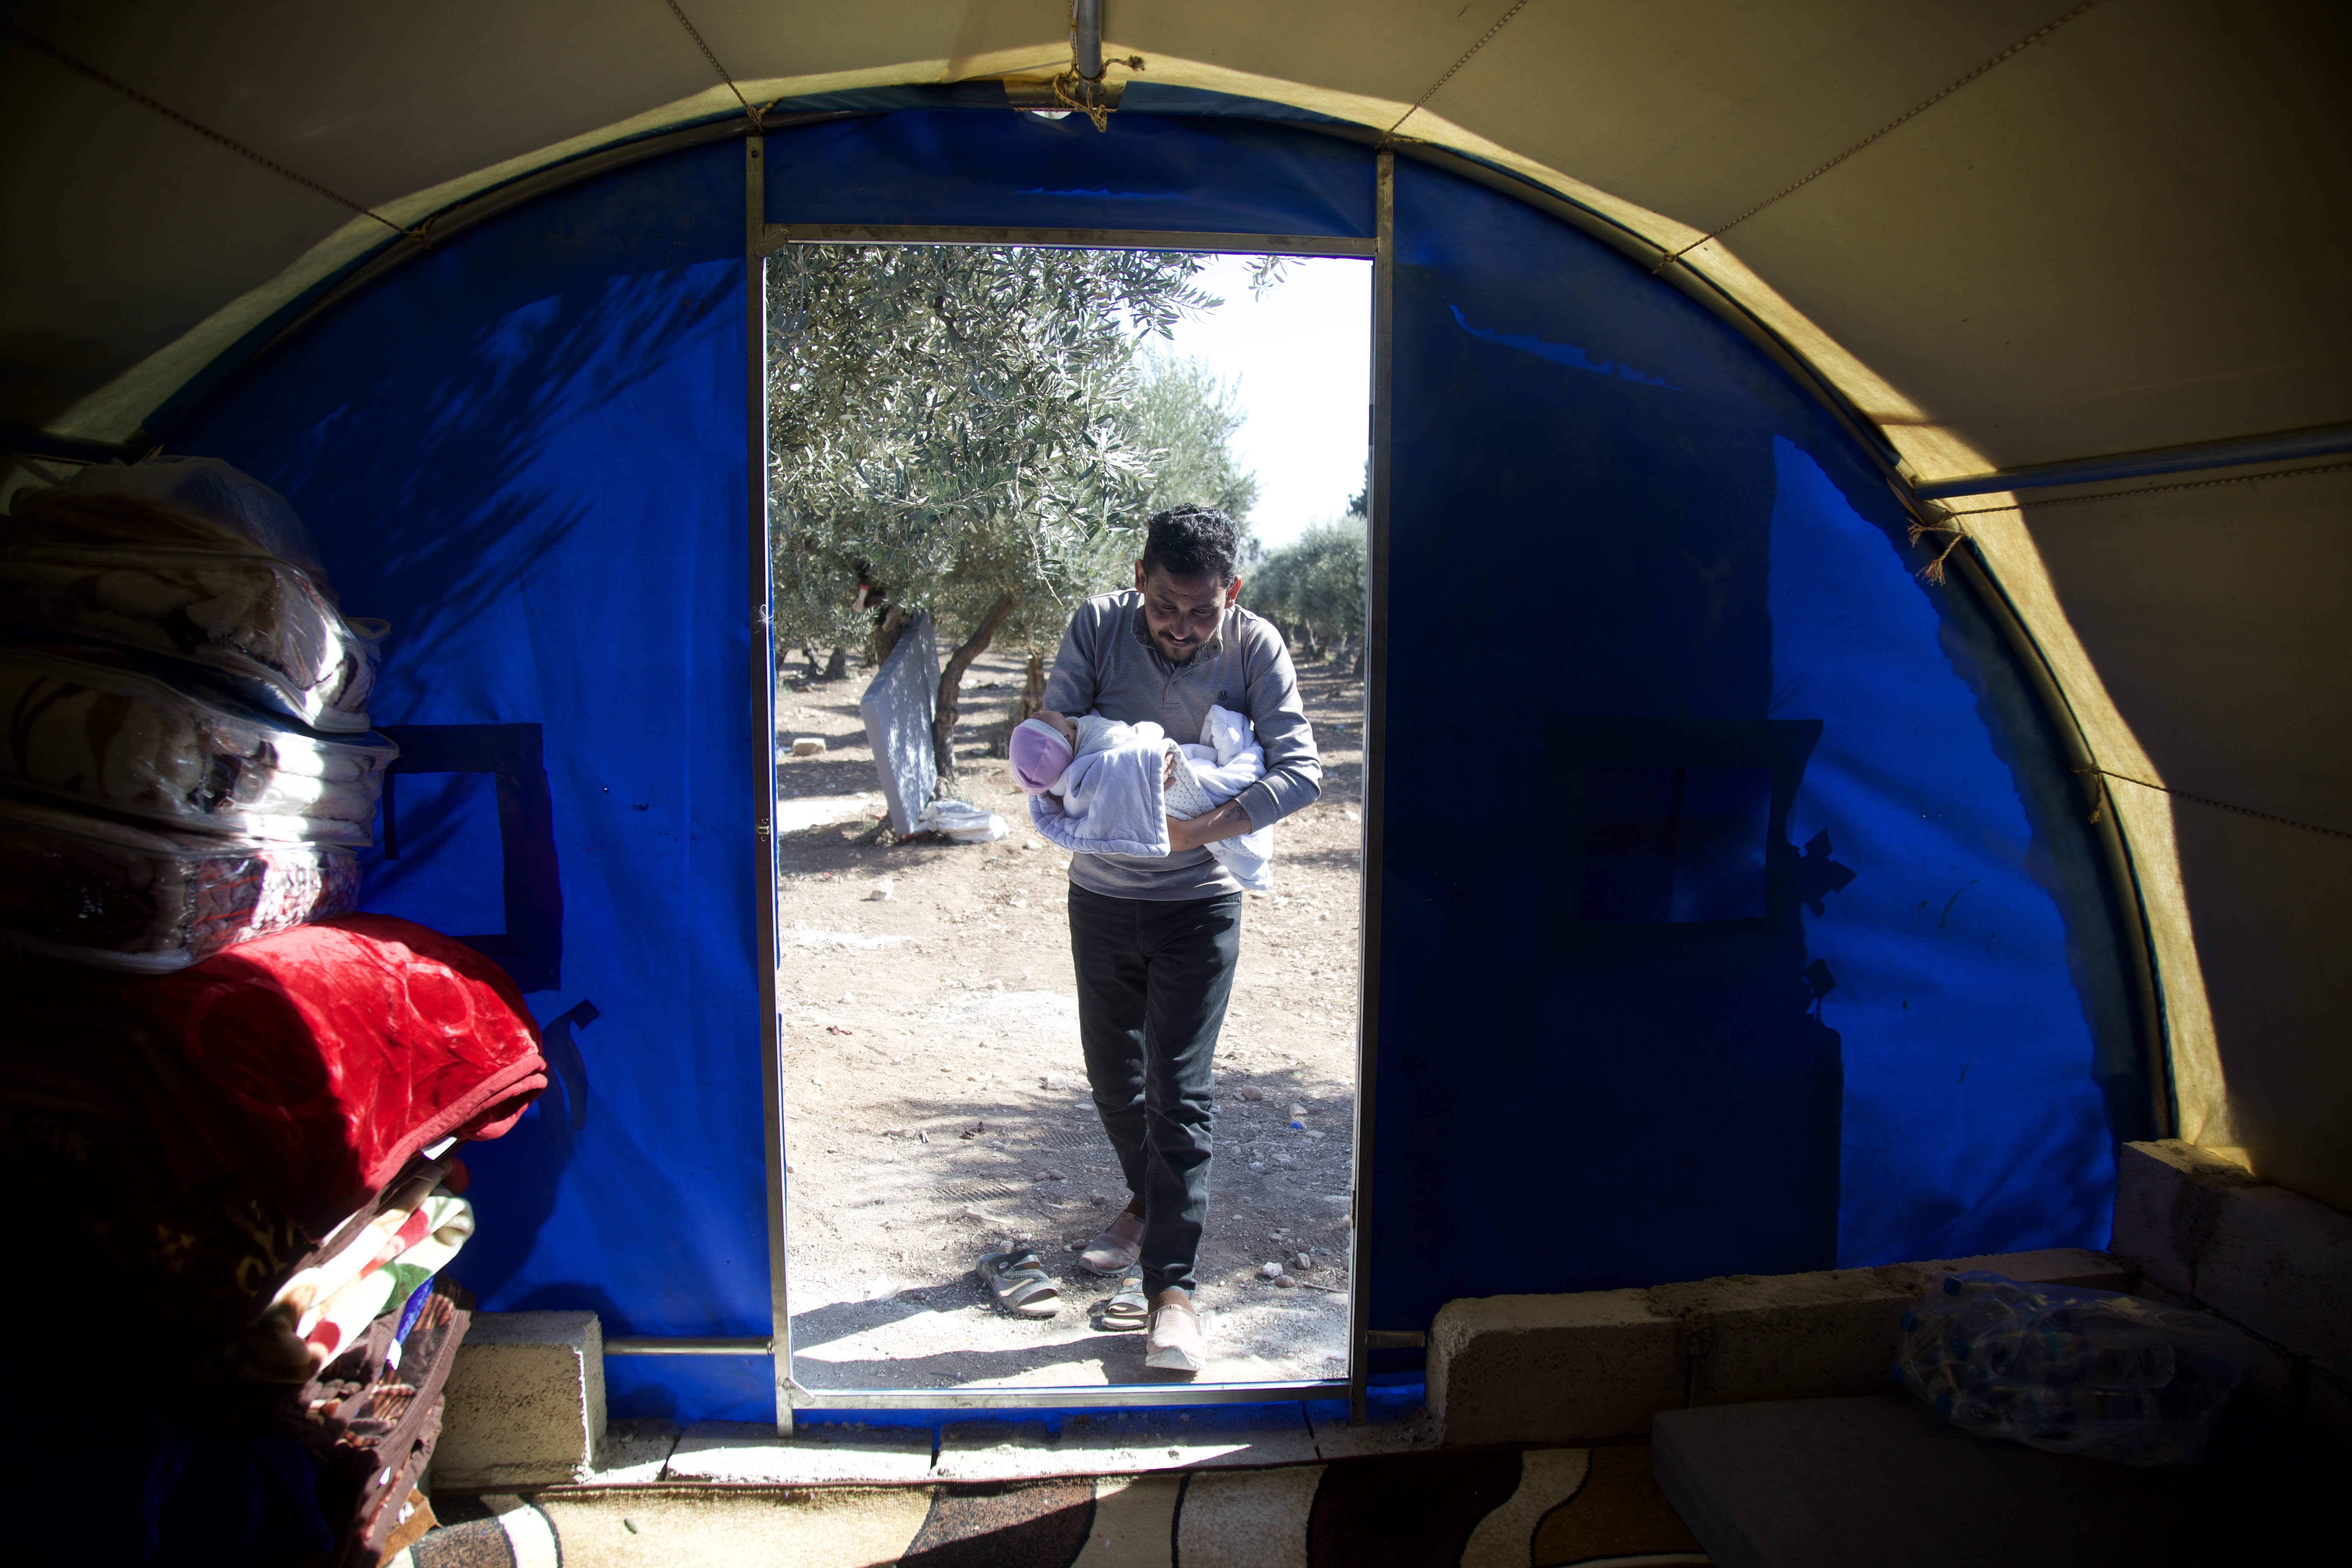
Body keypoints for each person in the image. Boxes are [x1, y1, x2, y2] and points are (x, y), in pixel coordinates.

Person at [1040, 504, 1322, 1371]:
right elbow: (1055, 729)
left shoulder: (1255, 647)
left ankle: (1173, 1291)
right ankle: (1146, 1202)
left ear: (1230, 592)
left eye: (1204, 610)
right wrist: (1059, 755)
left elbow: (1302, 768)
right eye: (1167, 606)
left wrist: (1193, 831)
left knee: (1180, 1087)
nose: (1183, 628)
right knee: (1113, 1073)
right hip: (1100, 897)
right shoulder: (1095, 624)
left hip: (1200, 904)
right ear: (1139, 580)